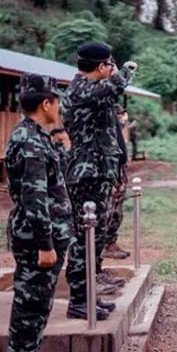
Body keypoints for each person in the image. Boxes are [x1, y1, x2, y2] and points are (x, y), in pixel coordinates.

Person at [62, 42, 135, 320]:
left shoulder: (93, 91)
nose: (111, 69)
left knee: (96, 236)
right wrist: (122, 72)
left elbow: (111, 94)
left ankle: (87, 296)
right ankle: (78, 300)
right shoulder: (82, 89)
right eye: (108, 64)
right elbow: (114, 86)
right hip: (86, 174)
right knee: (85, 238)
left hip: (96, 171)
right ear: (102, 66)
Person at [5, 74, 75, 351]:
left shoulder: (35, 136)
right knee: (30, 310)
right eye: (57, 102)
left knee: (36, 309)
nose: (58, 109)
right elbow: (34, 197)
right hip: (38, 241)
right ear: (46, 104)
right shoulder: (30, 141)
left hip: (44, 235)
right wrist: (45, 244)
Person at [103, 106, 131, 261]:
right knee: (109, 209)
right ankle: (104, 245)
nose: (123, 116)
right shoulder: (104, 123)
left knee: (117, 210)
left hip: (119, 169)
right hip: (111, 170)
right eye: (119, 114)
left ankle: (111, 242)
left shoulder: (116, 125)